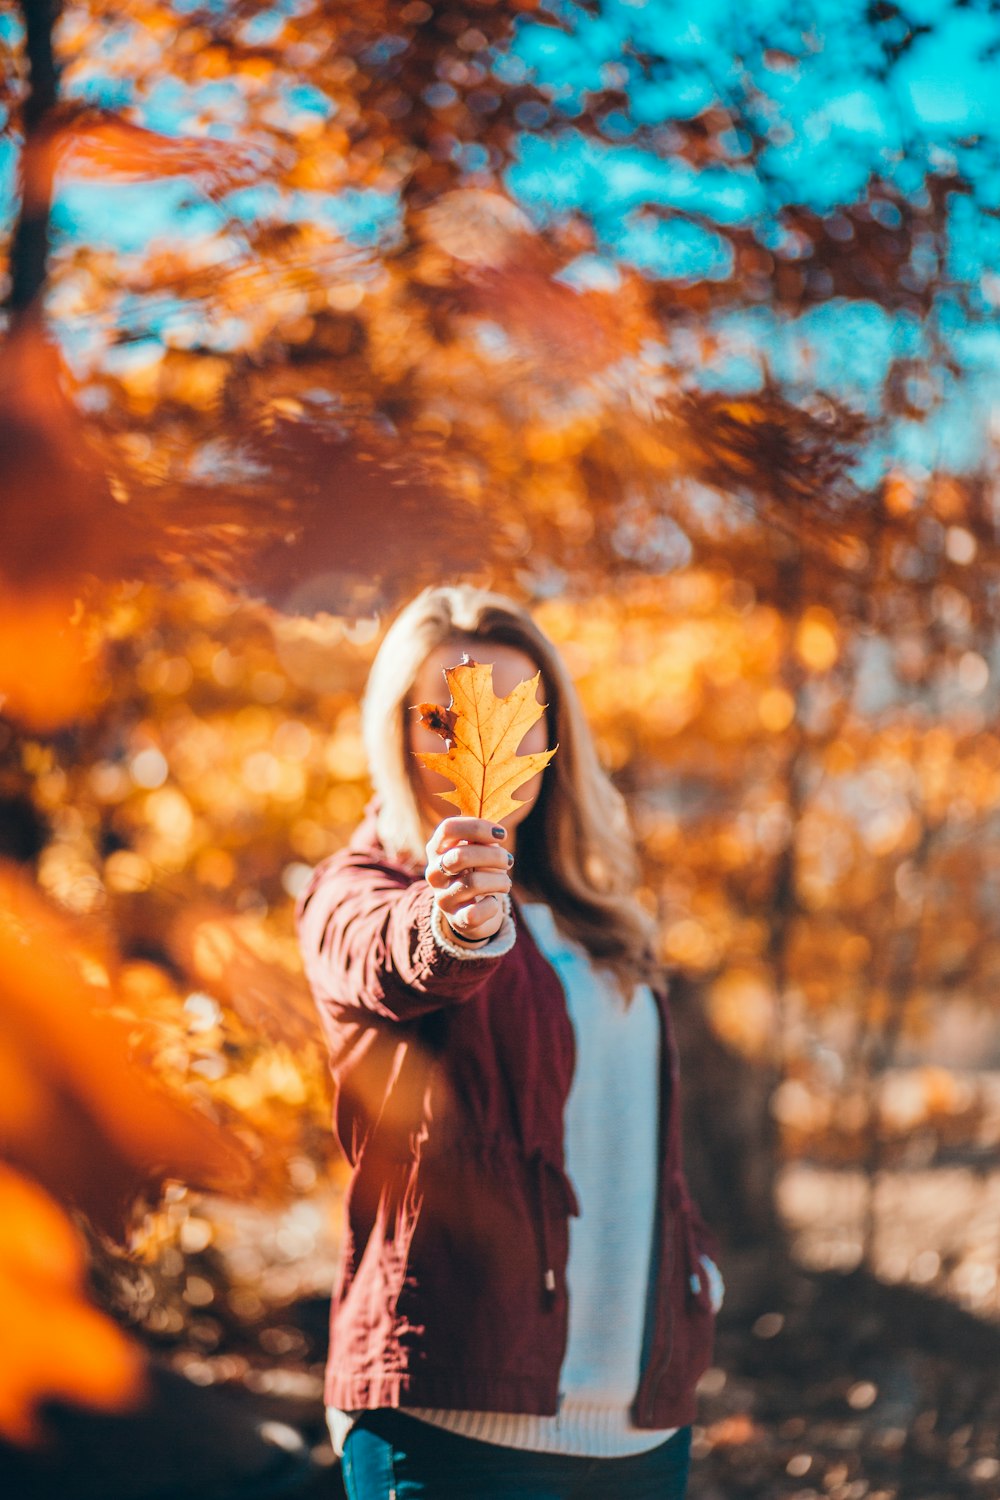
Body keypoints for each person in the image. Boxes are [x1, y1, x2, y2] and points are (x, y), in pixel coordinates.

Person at [296, 584, 722, 1500]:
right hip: (452, 1419)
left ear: (552, 733)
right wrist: (455, 918)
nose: (480, 744)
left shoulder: (600, 918)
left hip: (639, 1428)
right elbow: (395, 956)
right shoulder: (360, 890)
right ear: (395, 732)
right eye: (442, 717)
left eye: (515, 716)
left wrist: (697, 1274)